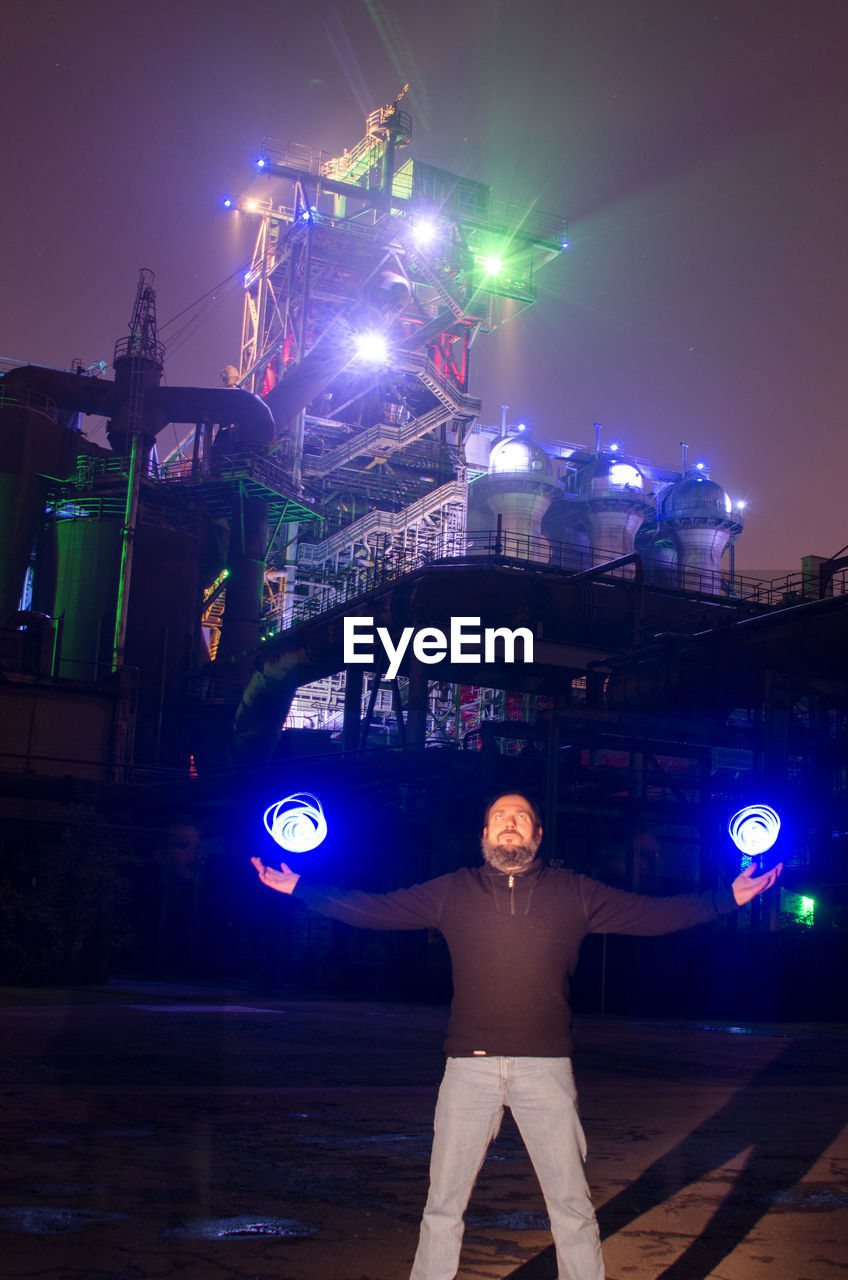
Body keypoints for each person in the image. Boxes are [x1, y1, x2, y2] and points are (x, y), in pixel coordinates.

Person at [251, 791, 782, 1280]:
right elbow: (376, 908)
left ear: (537, 834)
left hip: (546, 1069)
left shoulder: (575, 892)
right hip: (468, 1070)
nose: (510, 823)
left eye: (520, 817)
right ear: (484, 835)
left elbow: (652, 914)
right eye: (499, 817)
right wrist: (302, 888)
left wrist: (724, 899)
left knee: (571, 1205)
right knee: (442, 1205)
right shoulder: (451, 892)